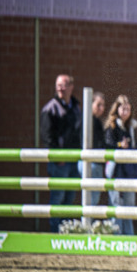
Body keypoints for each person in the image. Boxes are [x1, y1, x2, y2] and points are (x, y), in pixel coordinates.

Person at [39, 74, 82, 232]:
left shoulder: (76, 107)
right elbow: (47, 136)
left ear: (71, 87)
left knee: (69, 198)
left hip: (74, 160)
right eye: (58, 85)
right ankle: (54, 232)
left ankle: (64, 232)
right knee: (57, 197)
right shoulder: (50, 108)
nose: (60, 88)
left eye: (63, 85)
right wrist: (57, 157)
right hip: (59, 162)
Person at [104, 95, 137, 235]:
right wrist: (120, 145)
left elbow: (132, 148)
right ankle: (116, 238)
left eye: (128, 109)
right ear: (116, 109)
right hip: (115, 170)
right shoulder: (111, 126)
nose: (125, 112)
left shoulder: (131, 128)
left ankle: (129, 238)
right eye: (123, 108)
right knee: (116, 205)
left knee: (129, 206)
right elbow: (108, 144)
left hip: (129, 171)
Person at [78, 91, 107, 207]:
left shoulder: (95, 121)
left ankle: (87, 224)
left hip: (92, 162)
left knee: (91, 199)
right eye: (98, 105)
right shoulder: (88, 121)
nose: (101, 108)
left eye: (103, 105)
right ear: (90, 104)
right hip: (92, 162)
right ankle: (87, 225)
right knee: (92, 200)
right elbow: (98, 144)